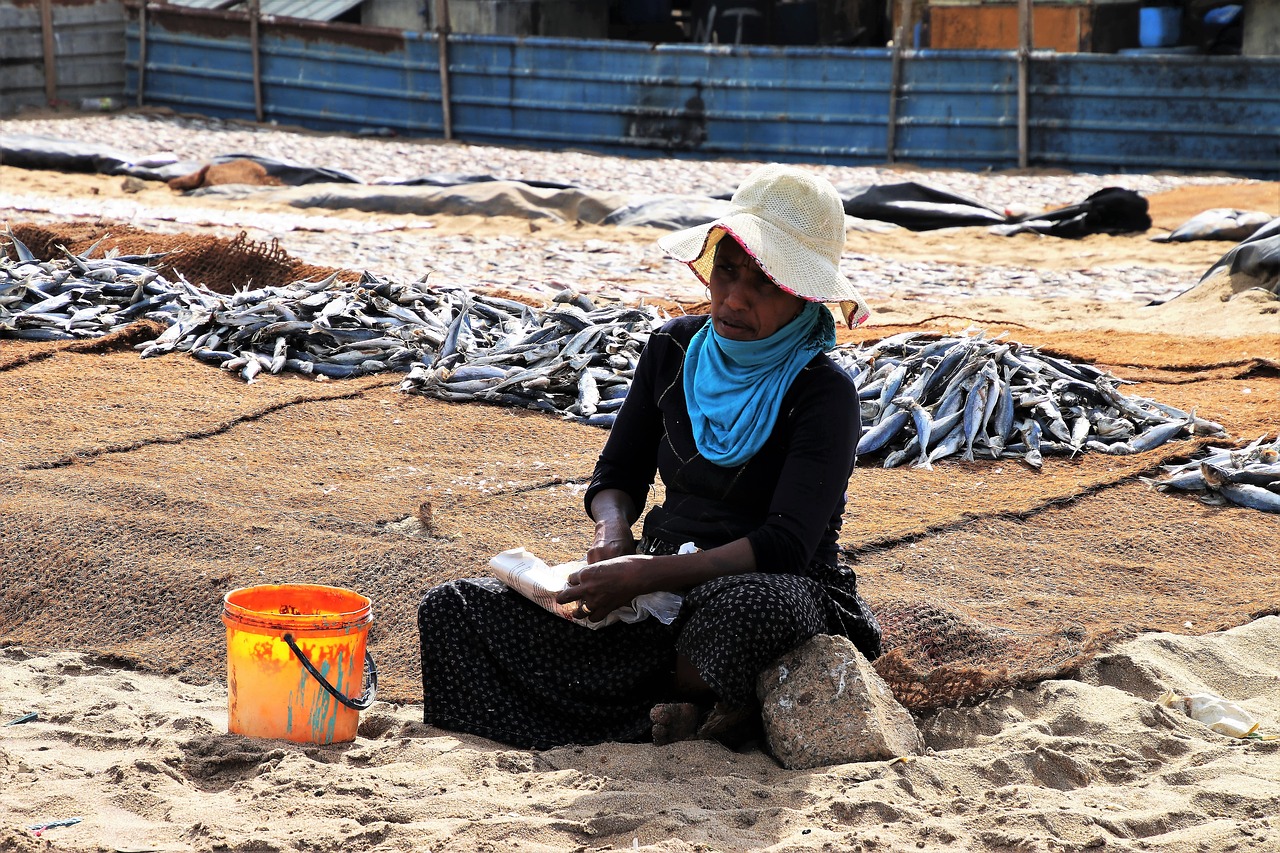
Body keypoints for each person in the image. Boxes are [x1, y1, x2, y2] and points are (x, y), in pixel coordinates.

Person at [417, 164, 882, 751]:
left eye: (765, 283)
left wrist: (645, 575)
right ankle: (665, 709)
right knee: (453, 609)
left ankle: (657, 705)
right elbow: (618, 474)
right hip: (659, 588)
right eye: (727, 272)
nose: (734, 298)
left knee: (755, 611)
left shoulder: (823, 392)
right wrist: (613, 536)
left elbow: (786, 543)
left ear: (804, 295)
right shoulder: (673, 347)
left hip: (760, 583)